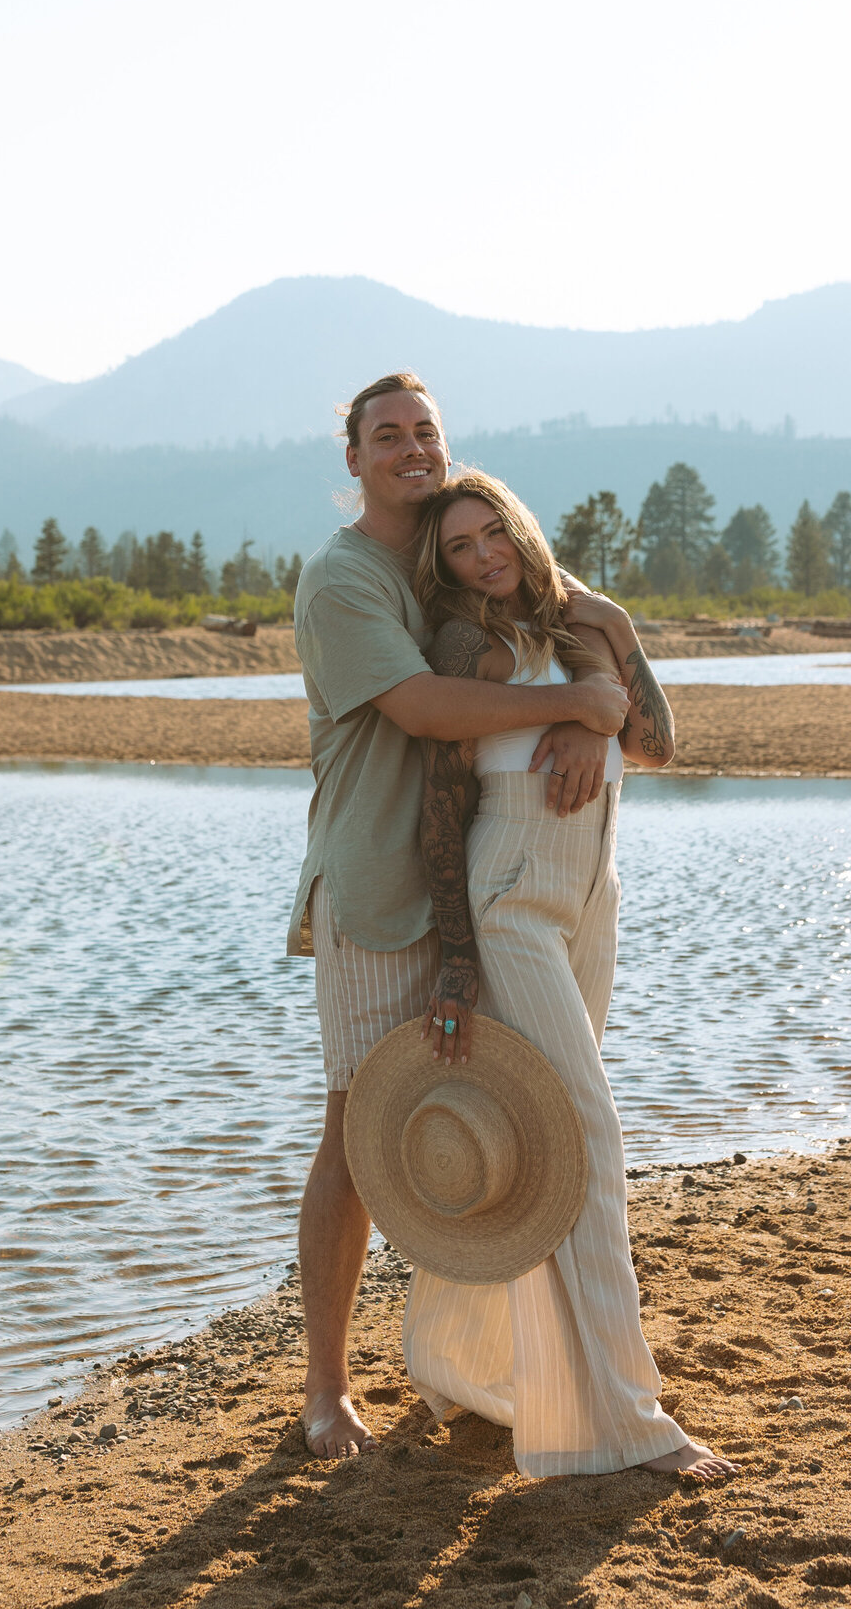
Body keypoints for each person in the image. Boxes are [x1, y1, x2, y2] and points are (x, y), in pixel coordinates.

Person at [290, 371, 632, 1458]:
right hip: (373, 888)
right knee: (356, 1128)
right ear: (352, 459)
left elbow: (585, 623)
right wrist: (570, 706)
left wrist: (591, 717)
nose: (409, 447)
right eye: (385, 435)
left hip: (470, 894)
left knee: (488, 1121)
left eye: (424, 430)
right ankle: (325, 1387)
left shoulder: (460, 550)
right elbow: (423, 706)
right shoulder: (344, 579)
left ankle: (464, 1361)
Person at [401, 469, 736, 1480]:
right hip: (510, 901)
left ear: (518, 526)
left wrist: (615, 659)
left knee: (542, 1141)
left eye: (489, 533)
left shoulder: (581, 619)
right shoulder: (467, 643)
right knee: (583, 1136)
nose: (481, 557)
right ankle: (628, 1418)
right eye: (458, 547)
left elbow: (662, 745)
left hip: (594, 895)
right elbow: (440, 801)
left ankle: (459, 1357)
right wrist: (455, 959)